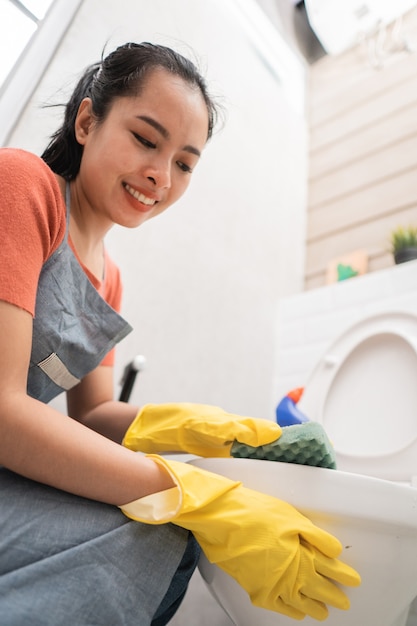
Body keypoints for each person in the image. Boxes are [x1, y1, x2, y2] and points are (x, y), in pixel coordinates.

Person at [0, 42, 360, 625]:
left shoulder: (109, 278)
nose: (160, 176)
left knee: (166, 531)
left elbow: (90, 418)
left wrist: (213, 431)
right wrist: (195, 492)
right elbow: (5, 409)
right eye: (146, 139)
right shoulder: (24, 186)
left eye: (185, 163)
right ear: (87, 121)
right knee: (164, 518)